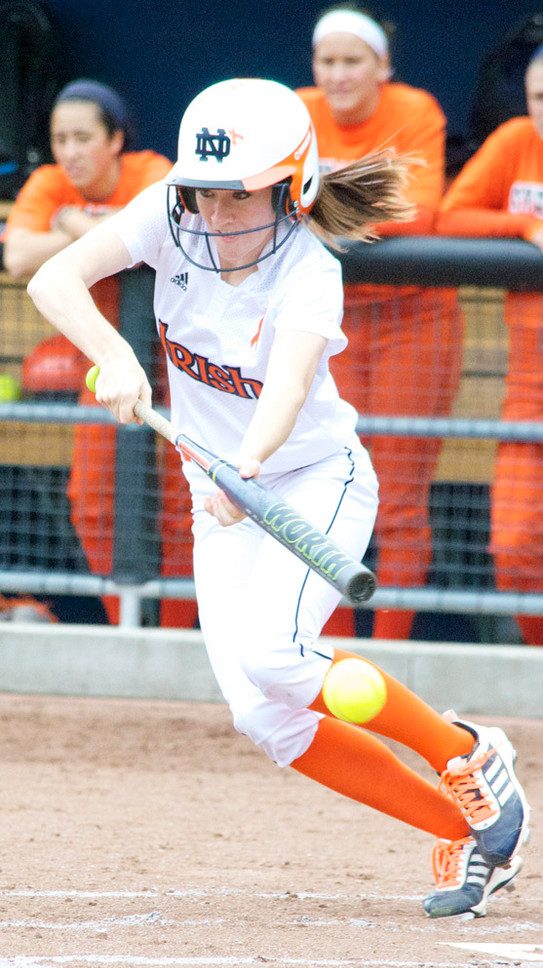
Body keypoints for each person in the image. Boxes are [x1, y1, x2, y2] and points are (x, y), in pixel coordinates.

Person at [26, 76, 529, 918]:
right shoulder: (168, 215)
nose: (217, 216)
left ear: (292, 190)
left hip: (307, 482)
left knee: (274, 658)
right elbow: (54, 279)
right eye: (206, 194)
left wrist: (248, 466)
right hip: (218, 492)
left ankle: (467, 752)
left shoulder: (308, 271)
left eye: (241, 197)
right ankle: (464, 833)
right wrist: (116, 354)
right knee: (267, 719)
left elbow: (288, 390)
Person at [297, 4, 464, 640]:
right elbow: (270, 201)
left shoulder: (414, 109)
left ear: (381, 67)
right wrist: (349, 198)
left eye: (352, 61)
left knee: (394, 500)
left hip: (412, 322)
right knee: (324, 493)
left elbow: (420, 214)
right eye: (327, 61)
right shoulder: (297, 109)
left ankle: (387, 653)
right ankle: (325, 657)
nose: (338, 75)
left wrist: (322, 202)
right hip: (324, 322)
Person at [3, 79, 195, 625]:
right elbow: (18, 256)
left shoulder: (151, 170)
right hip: (106, 361)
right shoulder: (48, 181)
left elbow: (155, 243)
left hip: (178, 358)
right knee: (92, 501)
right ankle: (122, 625)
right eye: (60, 139)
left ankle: (178, 635)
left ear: (115, 140)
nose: (70, 151)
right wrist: (86, 230)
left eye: (83, 137)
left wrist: (71, 223)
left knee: (186, 505)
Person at [437, 45, 543, 646]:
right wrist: (525, 226)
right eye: (539, 97)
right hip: (529, 384)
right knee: (514, 544)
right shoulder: (514, 143)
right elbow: (452, 216)